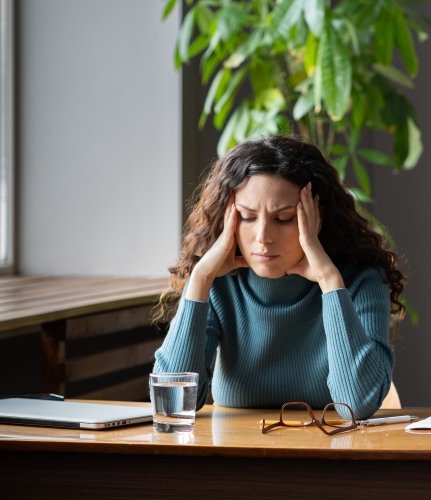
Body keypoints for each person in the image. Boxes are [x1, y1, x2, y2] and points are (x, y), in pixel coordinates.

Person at [152, 134, 407, 419]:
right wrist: (199, 280)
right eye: (247, 217)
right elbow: (173, 405)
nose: (263, 238)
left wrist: (330, 281)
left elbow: (358, 405)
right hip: (235, 456)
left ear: (316, 217)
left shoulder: (362, 279)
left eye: (283, 218)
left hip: (331, 455)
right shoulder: (219, 283)